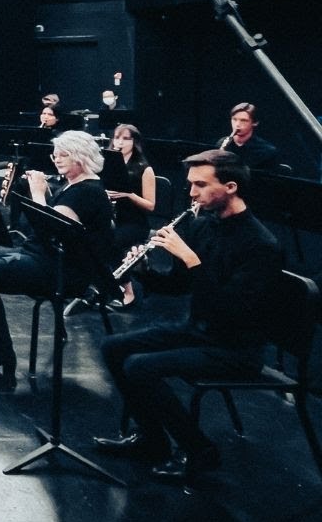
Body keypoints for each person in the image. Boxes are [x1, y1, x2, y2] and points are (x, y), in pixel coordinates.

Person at [96, 149, 282, 481]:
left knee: (141, 366)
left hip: (236, 349)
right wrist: (143, 270)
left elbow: (233, 310)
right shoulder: (204, 226)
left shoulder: (260, 245)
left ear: (231, 186)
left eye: (200, 185)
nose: (191, 193)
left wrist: (192, 260)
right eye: (190, 185)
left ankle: (200, 450)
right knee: (113, 348)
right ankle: (152, 441)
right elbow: (177, 286)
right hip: (200, 330)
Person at [0, 130, 114, 390]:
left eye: (63, 154)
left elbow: (54, 228)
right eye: (55, 154)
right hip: (45, 257)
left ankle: (2, 352)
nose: (56, 159)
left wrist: (37, 193)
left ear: (81, 156)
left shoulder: (86, 191)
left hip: (62, 270)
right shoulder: (74, 185)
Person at [104, 124, 156, 307]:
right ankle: (103, 285)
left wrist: (129, 195)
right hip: (112, 219)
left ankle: (128, 290)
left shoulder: (144, 168)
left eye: (126, 138)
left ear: (135, 142)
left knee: (110, 242)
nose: (120, 142)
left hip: (135, 223)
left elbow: (150, 206)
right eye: (117, 138)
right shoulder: (106, 163)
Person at [218, 102, 280, 171]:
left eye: (244, 120)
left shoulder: (267, 151)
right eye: (234, 119)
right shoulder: (222, 143)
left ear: (255, 123)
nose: (237, 124)